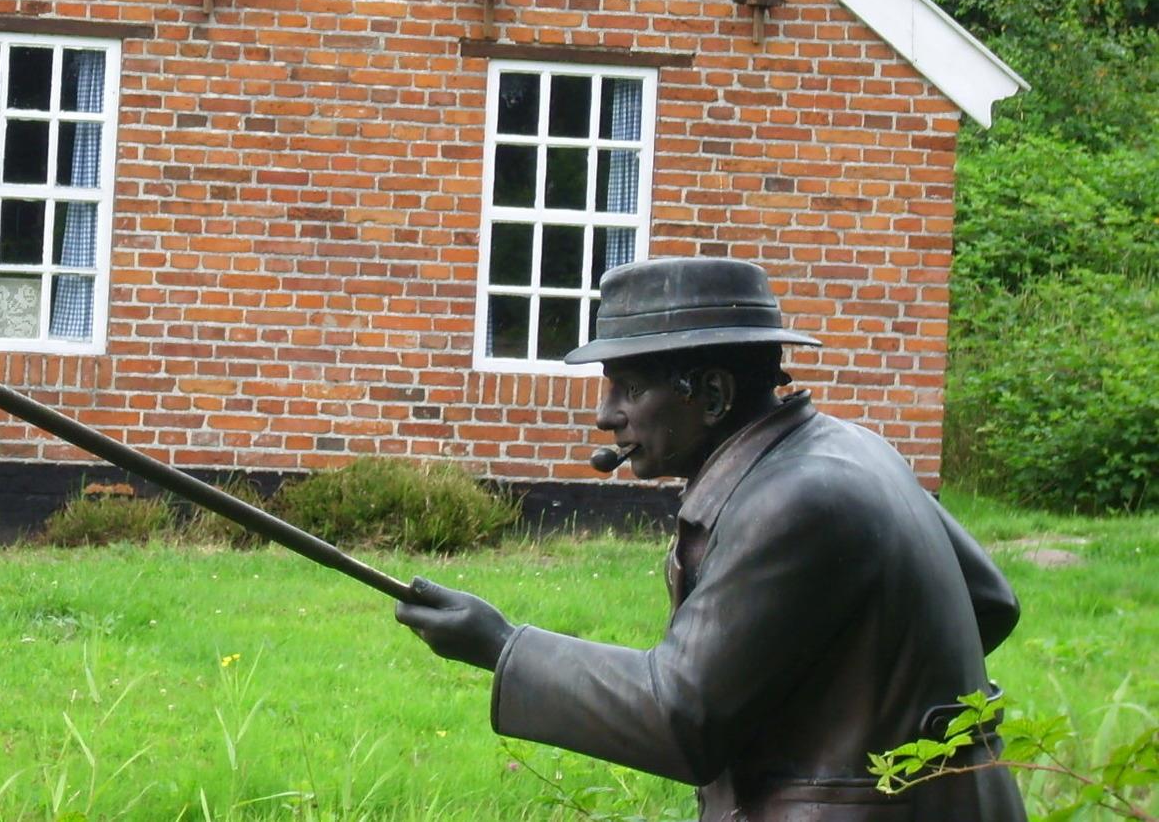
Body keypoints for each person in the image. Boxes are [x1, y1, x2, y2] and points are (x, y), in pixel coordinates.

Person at [398, 257, 1025, 821]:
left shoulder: (791, 500)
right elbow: (990, 603)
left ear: (715, 395)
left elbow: (679, 719)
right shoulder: (857, 446)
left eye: (631, 388)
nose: (605, 414)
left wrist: (501, 645)